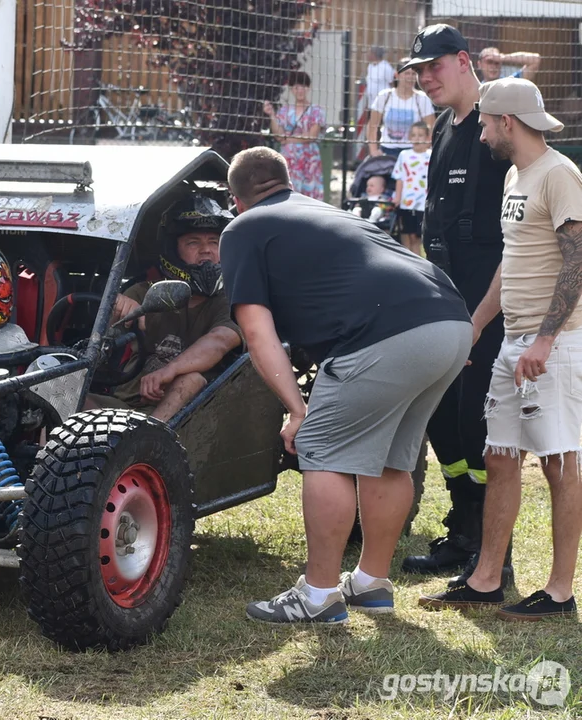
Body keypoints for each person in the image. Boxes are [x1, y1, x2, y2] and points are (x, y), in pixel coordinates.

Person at [222, 147, 471, 624]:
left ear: (237, 200)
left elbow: (257, 332)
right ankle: (371, 582)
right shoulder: (321, 211)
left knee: (321, 445)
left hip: (386, 333)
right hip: (450, 320)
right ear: (286, 182)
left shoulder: (242, 229)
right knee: (391, 459)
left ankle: (318, 595)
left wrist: (298, 410)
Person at [419, 80, 582, 620]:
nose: (481, 132)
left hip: (552, 347)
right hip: (511, 340)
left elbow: (578, 263)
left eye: (486, 123)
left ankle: (560, 593)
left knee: (560, 464)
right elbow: (510, 264)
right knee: (499, 455)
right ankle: (487, 579)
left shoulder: (559, 174)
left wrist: (545, 338)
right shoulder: (516, 175)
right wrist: (473, 326)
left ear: (507, 122)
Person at [397, 25, 514, 583]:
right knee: (442, 416)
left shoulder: (502, 123)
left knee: (478, 424)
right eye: (417, 71)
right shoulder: (444, 125)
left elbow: (522, 235)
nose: (423, 79)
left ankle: (496, 555)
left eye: (432, 67)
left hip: (492, 306)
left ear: (465, 61)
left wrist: (478, 322)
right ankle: (464, 529)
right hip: (447, 300)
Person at [85, 196, 243, 422]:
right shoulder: (141, 292)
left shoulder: (231, 299)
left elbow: (220, 341)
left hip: (186, 415)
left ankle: (150, 440)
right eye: (193, 243)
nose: (206, 251)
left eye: (214, 242)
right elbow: (102, 344)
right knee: (67, 396)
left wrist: (171, 370)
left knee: (191, 379)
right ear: (173, 249)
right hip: (124, 403)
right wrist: (115, 308)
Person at [262, 72, 326, 200]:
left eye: (303, 87)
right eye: (296, 87)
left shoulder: (316, 111)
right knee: (289, 191)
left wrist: (288, 139)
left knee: (310, 193)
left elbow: (312, 135)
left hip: (309, 159)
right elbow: (278, 135)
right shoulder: (284, 111)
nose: (300, 90)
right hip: (289, 159)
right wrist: (272, 115)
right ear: (292, 89)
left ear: (308, 88)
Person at [367, 59, 436, 159]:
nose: (410, 77)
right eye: (407, 73)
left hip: (413, 152)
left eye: (413, 74)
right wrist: (374, 151)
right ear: (397, 75)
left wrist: (424, 149)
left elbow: (431, 128)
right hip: (387, 150)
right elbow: (372, 126)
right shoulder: (385, 96)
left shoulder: (422, 99)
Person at [391, 122, 432, 255]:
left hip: (422, 204)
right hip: (406, 202)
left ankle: (417, 260)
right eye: (413, 135)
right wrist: (397, 197)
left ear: (427, 137)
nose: (417, 138)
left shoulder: (430, 156)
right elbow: (400, 177)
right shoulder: (404, 155)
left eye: (420, 135)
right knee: (405, 234)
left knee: (417, 236)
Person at [360, 46, 396, 116]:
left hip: (383, 105)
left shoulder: (386, 67)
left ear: (374, 54)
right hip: (371, 104)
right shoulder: (370, 66)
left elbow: (392, 83)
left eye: (369, 52)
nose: (367, 54)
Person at [477, 47, 541, 83]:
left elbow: (535, 60)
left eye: (497, 62)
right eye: (489, 62)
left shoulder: (510, 82)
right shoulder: (477, 90)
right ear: (479, 64)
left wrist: (503, 57)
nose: (493, 66)